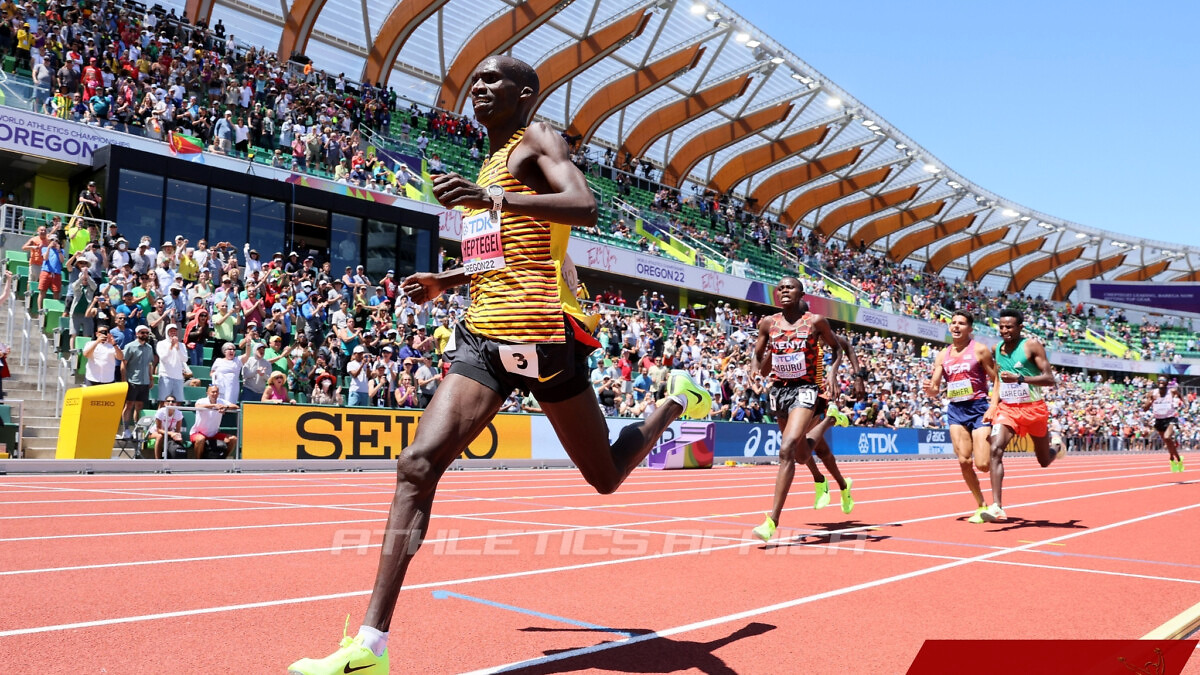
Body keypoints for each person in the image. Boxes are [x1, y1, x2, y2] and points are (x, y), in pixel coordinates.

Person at [288, 55, 712, 675]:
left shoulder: (537, 140)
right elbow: (501, 253)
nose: (480, 87)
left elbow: (584, 205)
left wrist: (492, 196)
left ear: (526, 94)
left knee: (605, 476)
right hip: (485, 335)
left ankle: (675, 403)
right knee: (416, 464)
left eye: (495, 80)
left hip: (544, 334)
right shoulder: (485, 164)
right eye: (476, 80)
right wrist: (448, 279)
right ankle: (370, 648)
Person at [748, 278, 844, 543]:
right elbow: (758, 354)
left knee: (786, 448)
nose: (784, 291)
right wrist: (754, 371)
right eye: (780, 288)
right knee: (801, 454)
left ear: (801, 293)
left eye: (790, 287)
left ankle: (772, 520)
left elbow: (837, 349)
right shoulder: (768, 323)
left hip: (806, 389)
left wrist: (833, 374)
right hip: (780, 391)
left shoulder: (815, 322)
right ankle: (831, 424)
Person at [981, 308, 1063, 522]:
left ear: (1020, 328)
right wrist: (993, 405)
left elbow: (1049, 379)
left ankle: (1057, 446)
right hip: (1008, 409)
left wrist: (1020, 379)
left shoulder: (1031, 346)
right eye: (1001, 327)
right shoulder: (996, 348)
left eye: (1009, 327)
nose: (1004, 330)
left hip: (1034, 409)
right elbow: (998, 379)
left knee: (1044, 461)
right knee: (995, 448)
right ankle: (997, 506)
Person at [925, 311, 998, 523]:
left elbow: (997, 379)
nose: (956, 326)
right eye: (953, 323)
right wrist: (930, 390)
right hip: (956, 410)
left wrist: (993, 404)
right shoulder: (942, 355)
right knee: (964, 461)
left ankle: (995, 464)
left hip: (979, 408)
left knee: (983, 464)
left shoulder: (980, 350)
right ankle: (981, 506)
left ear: (970, 328)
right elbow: (935, 387)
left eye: (961, 323)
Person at [121, 325, 156, 439]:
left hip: (144, 381)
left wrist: (151, 378)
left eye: (146, 333)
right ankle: (126, 429)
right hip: (132, 380)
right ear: (137, 334)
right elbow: (123, 364)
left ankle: (137, 429)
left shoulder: (149, 348)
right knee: (129, 405)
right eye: (142, 332)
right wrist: (124, 380)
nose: (145, 335)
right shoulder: (130, 346)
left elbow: (150, 364)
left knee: (139, 406)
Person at [1144, 378, 1185, 472]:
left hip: (1170, 418)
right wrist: (1150, 401)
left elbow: (1181, 396)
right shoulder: (1152, 393)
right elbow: (1145, 408)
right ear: (1157, 383)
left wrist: (1185, 406)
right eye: (1159, 381)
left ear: (1167, 384)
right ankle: (1176, 458)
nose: (1161, 383)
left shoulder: (1172, 391)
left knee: (1167, 437)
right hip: (1159, 420)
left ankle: (1177, 459)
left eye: (1163, 382)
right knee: (1168, 443)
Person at [189, 385, 238, 459]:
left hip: (214, 433)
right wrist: (214, 405)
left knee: (233, 439)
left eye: (217, 392)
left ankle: (223, 458)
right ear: (207, 393)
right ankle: (198, 461)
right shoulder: (202, 400)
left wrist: (225, 407)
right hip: (198, 433)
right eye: (213, 392)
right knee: (200, 439)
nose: (215, 394)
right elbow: (197, 406)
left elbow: (236, 406)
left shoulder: (222, 402)